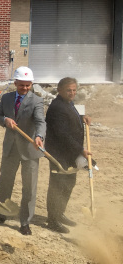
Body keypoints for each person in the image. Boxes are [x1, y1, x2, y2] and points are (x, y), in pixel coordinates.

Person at [0, 66, 45, 235]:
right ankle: (0, 214)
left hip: (30, 149)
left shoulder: (36, 101)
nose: (25, 88)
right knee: (5, 182)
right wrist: (5, 120)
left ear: (31, 84)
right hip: (11, 149)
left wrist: (39, 136)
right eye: (22, 85)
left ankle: (25, 222)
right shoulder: (6, 98)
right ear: (16, 83)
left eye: (28, 85)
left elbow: (41, 122)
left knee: (29, 187)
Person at [45, 77, 90, 233]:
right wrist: (81, 150)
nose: (72, 93)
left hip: (69, 154)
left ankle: (60, 213)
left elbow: (69, 119)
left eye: (74, 90)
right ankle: (53, 220)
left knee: (69, 184)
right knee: (57, 186)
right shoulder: (57, 107)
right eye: (68, 90)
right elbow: (62, 134)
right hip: (59, 154)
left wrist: (81, 118)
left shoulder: (68, 104)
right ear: (60, 90)